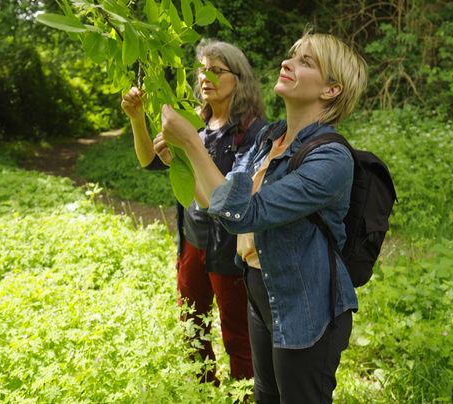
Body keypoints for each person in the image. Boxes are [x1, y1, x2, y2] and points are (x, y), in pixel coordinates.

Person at [159, 32, 367, 403]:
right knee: (265, 396)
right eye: (292, 56)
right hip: (261, 293)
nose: (288, 63)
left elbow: (245, 213)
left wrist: (192, 141)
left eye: (306, 62)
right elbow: (220, 202)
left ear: (331, 90)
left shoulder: (331, 158)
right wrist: (184, 158)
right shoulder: (269, 139)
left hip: (306, 308)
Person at [120, 39, 266, 384]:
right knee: (192, 326)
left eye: (217, 70)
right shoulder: (191, 123)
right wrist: (137, 118)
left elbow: (238, 200)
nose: (206, 76)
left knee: (238, 335)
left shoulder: (253, 132)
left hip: (231, 252)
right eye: (202, 69)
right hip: (191, 244)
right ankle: (203, 389)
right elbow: (148, 159)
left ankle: (245, 393)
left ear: (239, 79)